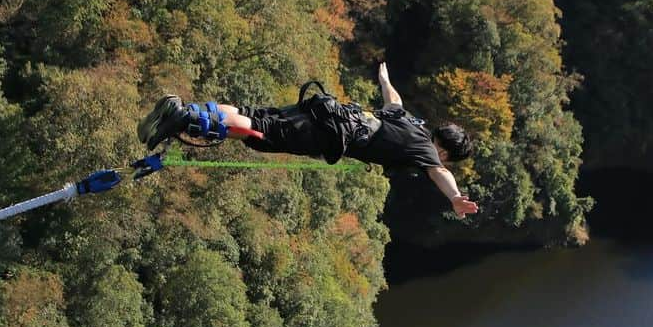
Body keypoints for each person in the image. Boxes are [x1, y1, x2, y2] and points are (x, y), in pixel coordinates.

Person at [138, 62, 479, 218]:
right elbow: (440, 174)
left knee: (252, 113)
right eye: (446, 157)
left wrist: (383, 75)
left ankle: (189, 110)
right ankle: (184, 119)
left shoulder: (412, 122)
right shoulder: (426, 153)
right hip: (330, 133)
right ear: (444, 150)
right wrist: (455, 198)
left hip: (329, 110)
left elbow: (394, 100)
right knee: (260, 132)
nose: (442, 162)